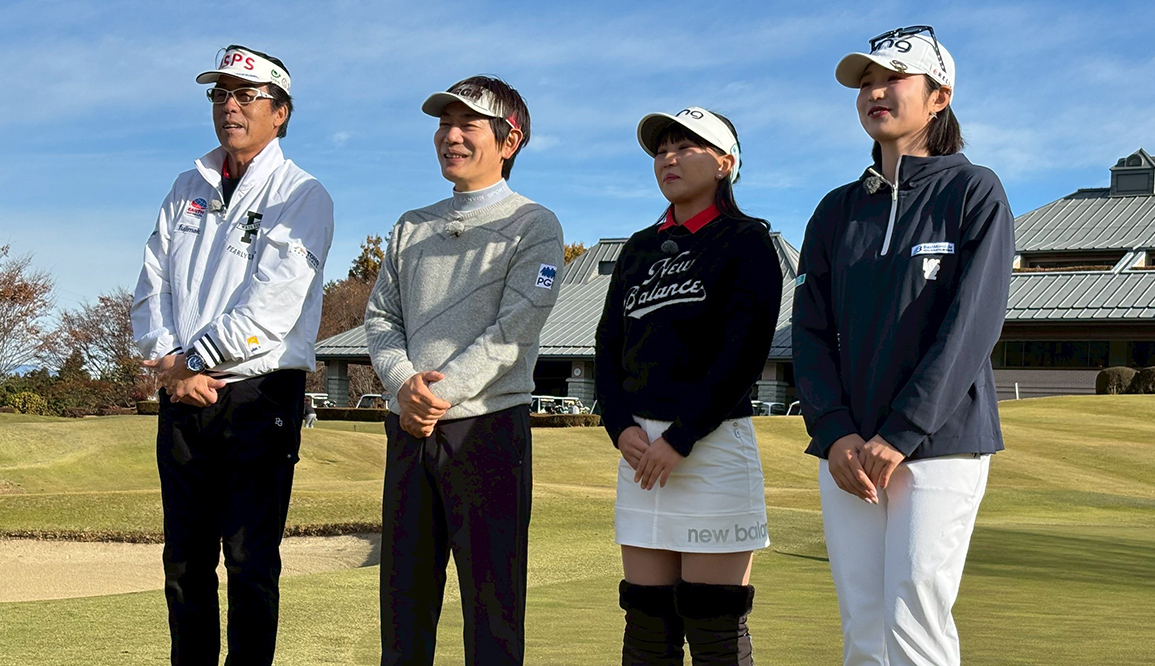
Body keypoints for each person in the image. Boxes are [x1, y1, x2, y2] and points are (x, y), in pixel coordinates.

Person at [792, 26, 1014, 666]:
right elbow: (809, 332)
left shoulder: (973, 191)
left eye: (893, 78)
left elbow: (971, 326)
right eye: (865, 82)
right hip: (848, 449)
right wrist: (834, 431)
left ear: (939, 97)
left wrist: (902, 431)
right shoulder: (835, 210)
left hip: (941, 442)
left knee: (913, 614)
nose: (875, 92)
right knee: (863, 623)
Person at [131, 44, 334, 665]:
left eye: (247, 95)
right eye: (220, 94)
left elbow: (272, 308)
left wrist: (189, 364)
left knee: (250, 563)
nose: (230, 106)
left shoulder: (303, 194)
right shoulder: (185, 185)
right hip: (182, 394)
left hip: (258, 397)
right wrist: (169, 361)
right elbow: (152, 285)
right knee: (185, 561)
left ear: (281, 112)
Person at [365, 75, 565, 665]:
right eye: (443, 124)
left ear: (509, 140)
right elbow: (381, 317)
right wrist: (403, 383)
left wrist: (435, 396)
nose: (450, 136)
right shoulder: (410, 226)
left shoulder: (535, 225)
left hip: (488, 431)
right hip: (410, 430)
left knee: (492, 617)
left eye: (467, 125)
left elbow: (513, 330)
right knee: (403, 613)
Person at [595, 107, 782, 666]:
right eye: (661, 150)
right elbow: (608, 347)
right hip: (640, 457)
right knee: (647, 630)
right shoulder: (638, 248)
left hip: (712, 446)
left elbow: (742, 356)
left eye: (686, 147)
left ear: (725, 163)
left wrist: (681, 437)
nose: (668, 159)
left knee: (713, 627)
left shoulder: (747, 241)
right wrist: (619, 426)